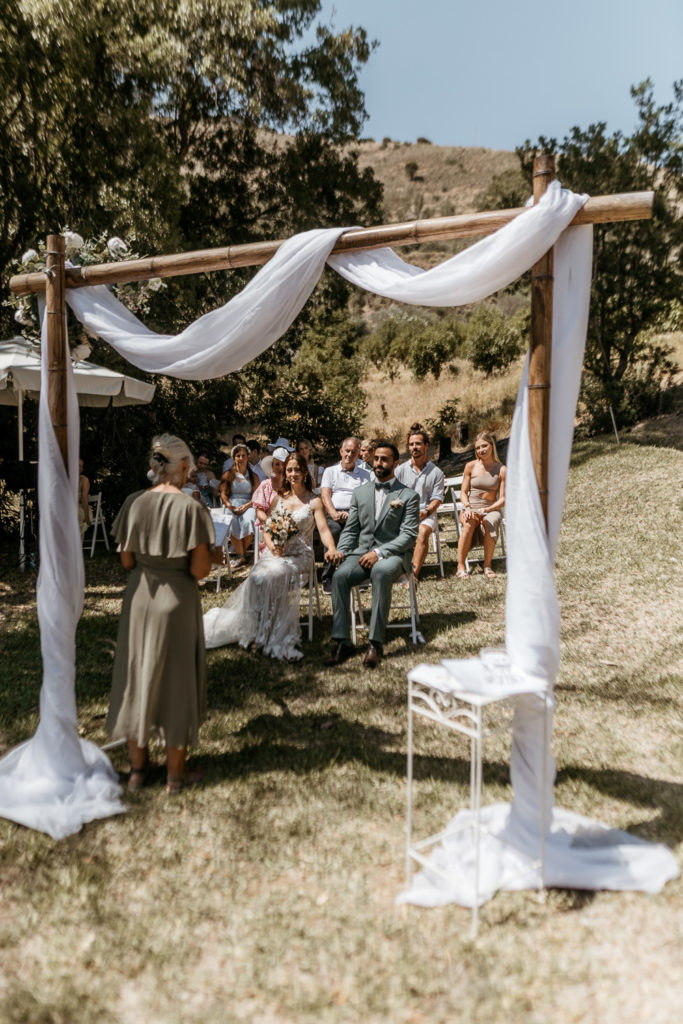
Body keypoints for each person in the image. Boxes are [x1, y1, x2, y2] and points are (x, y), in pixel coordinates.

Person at [106, 434, 221, 794]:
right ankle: (175, 776)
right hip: (178, 602)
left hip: (140, 598)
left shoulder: (133, 503)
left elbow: (127, 560)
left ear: (157, 464)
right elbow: (200, 570)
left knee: (135, 677)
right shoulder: (191, 509)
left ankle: (138, 772)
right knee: (177, 684)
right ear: (184, 465)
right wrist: (213, 557)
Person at [203, 452, 341, 661]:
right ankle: (257, 630)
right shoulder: (279, 498)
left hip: (300, 556)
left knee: (274, 575)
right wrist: (271, 546)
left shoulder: (314, 501)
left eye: (297, 469)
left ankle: (269, 635)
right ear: (285, 473)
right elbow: (268, 528)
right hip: (276, 552)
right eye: (289, 470)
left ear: (304, 472)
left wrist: (331, 548)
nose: (293, 473)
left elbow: (323, 530)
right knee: (257, 576)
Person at [326, 441, 419, 669]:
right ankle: (343, 642)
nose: (378, 463)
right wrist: (341, 551)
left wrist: (379, 553)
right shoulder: (361, 492)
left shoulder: (408, 496)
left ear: (395, 463)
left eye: (384, 459)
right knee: (339, 576)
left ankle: (375, 644)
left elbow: (408, 536)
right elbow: (351, 530)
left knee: (380, 571)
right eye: (376, 459)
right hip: (360, 553)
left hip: (394, 554)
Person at [319, 437, 370, 594]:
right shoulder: (330, 471)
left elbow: (366, 498)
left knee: (360, 532)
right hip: (334, 512)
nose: (349, 454)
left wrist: (352, 515)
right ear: (341, 451)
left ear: (358, 455)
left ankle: (359, 575)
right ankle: (328, 576)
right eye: (347, 451)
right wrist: (334, 513)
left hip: (355, 513)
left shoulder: (366, 474)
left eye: (354, 452)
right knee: (333, 531)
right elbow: (325, 495)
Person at [394, 423, 445, 582]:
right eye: (411, 444)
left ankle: (412, 575)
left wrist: (426, 512)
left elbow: (437, 498)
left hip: (427, 513)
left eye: (418, 444)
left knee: (422, 532)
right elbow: (393, 495)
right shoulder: (400, 470)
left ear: (426, 445)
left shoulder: (436, 472)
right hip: (403, 513)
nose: (414, 447)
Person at [456, 431, 506, 579]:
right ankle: (460, 566)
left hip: (491, 508)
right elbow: (464, 492)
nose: (481, 450)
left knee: (491, 521)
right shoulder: (470, 466)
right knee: (469, 523)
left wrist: (489, 509)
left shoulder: (502, 469)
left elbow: (503, 499)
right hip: (471, 507)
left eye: (484, 446)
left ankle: (487, 565)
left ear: (492, 446)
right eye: (478, 448)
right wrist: (467, 507)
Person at [219, 443, 258, 568]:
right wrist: (230, 506)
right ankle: (242, 556)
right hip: (232, 504)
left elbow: (256, 496)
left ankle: (240, 555)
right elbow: (223, 494)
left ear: (247, 457)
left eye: (243, 455)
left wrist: (246, 506)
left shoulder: (253, 476)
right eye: (238, 456)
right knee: (231, 521)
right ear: (234, 458)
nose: (241, 458)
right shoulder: (228, 474)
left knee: (250, 520)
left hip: (248, 504)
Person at [78, 458, 90, 538]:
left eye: (80, 466)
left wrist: (87, 516)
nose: (79, 467)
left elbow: (84, 498)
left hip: (81, 508)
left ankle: (77, 546)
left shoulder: (84, 480)